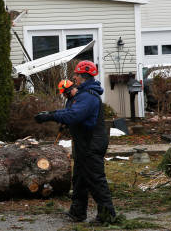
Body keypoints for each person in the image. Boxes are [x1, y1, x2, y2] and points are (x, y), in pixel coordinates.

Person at [35, 61, 116, 224]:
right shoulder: (82, 94)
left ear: (83, 77)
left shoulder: (88, 96)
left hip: (92, 143)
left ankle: (108, 216)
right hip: (83, 144)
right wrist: (52, 113)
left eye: (76, 75)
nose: (74, 78)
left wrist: (50, 116)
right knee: (79, 179)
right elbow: (70, 112)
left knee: (96, 179)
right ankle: (77, 212)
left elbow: (74, 115)